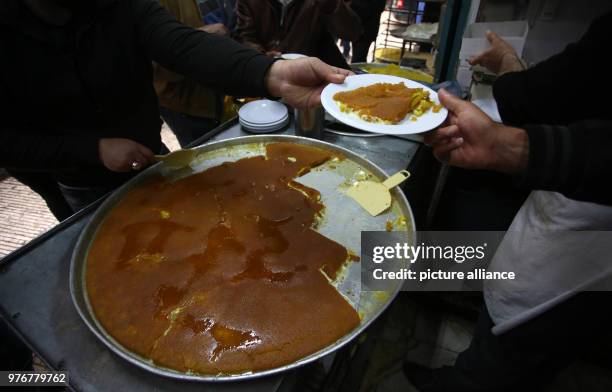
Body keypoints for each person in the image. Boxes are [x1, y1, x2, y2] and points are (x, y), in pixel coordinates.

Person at [405, 10, 612, 391]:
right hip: (574, 191)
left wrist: (513, 78)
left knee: (527, 332)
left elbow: (552, 92)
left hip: (590, 218)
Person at [0, 0, 351, 215]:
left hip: (153, 159)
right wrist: (91, 150)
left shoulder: (117, 5)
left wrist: (271, 73)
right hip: (81, 182)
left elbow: (182, 45)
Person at [154, 0, 229, 147]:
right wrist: (204, 37)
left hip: (217, 93)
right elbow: (160, 60)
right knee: (202, 156)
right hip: (186, 104)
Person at [234, 0, 363, 69]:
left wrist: (330, 4)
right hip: (267, 75)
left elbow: (352, 34)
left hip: (312, 75)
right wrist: (262, 57)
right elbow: (245, 36)